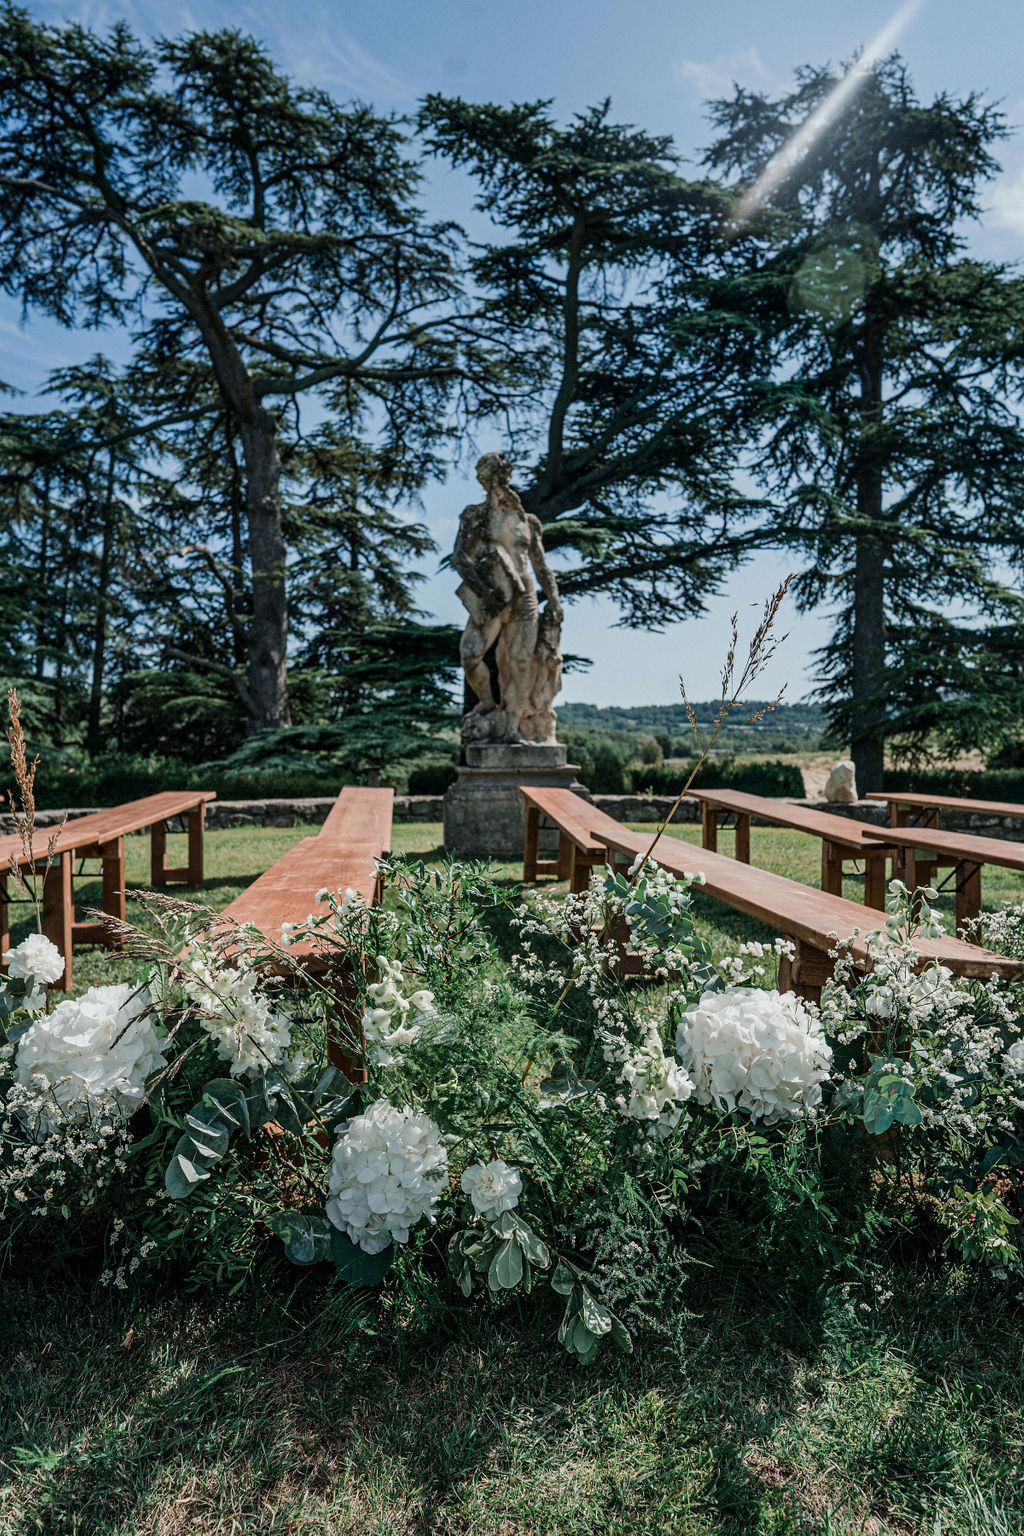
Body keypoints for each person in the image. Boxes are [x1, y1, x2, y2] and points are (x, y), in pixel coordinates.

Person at [453, 452, 562, 744]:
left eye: (501, 476)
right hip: (490, 593)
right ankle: (488, 702)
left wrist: (554, 600)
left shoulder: (528, 521)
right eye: (490, 477)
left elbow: (540, 566)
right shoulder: (475, 515)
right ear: (484, 481)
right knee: (470, 653)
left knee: (521, 662)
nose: (496, 482)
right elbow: (460, 558)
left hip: (524, 596)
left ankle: (513, 726)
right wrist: (483, 591)